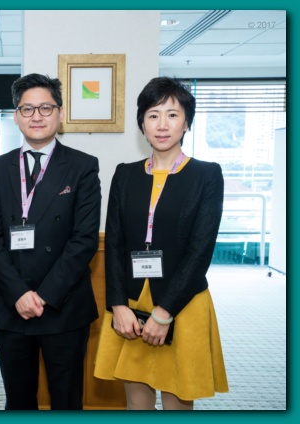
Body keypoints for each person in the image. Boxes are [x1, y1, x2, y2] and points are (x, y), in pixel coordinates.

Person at [93, 77, 229, 409]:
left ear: (187, 123)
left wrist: (164, 313)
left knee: (176, 404)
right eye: (153, 115)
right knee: (136, 404)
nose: (162, 125)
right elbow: (115, 243)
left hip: (181, 302)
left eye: (172, 114)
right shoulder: (125, 174)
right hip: (131, 305)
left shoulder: (206, 175)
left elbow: (200, 251)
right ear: (142, 123)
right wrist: (117, 305)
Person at [0, 73, 102, 410]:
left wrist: (44, 295)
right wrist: (19, 293)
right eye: (27, 109)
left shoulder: (83, 167)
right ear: (16, 115)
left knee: (67, 401)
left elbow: (84, 240)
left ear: (60, 113)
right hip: (12, 304)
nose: (36, 116)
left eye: (45, 108)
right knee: (18, 400)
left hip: (64, 305)